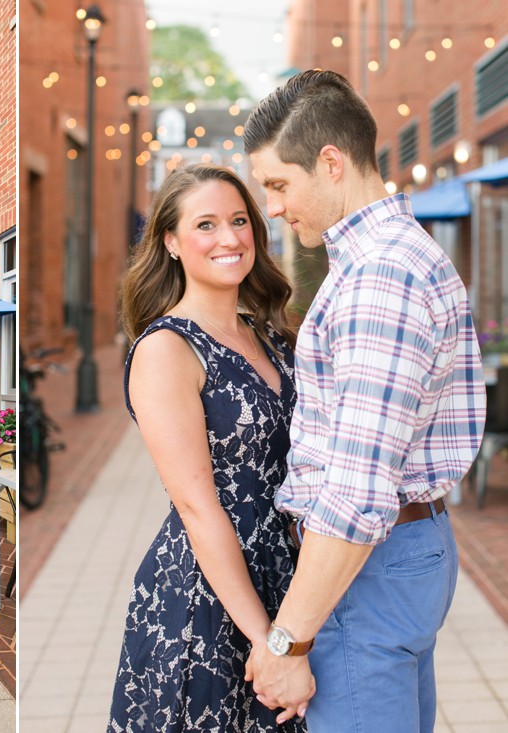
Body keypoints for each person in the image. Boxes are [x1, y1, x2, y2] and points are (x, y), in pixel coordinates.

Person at [242, 69, 486, 732]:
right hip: (399, 553)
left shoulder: (379, 277)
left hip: (366, 571)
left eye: (279, 185)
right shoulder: (397, 256)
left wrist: (287, 641)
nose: (272, 206)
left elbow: (355, 489)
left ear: (331, 162)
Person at [109, 164, 304, 732]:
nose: (230, 238)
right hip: (210, 596)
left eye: (240, 220)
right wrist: (267, 638)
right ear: (170, 241)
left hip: (285, 571)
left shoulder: (267, 332)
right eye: (206, 224)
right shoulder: (166, 349)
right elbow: (197, 506)